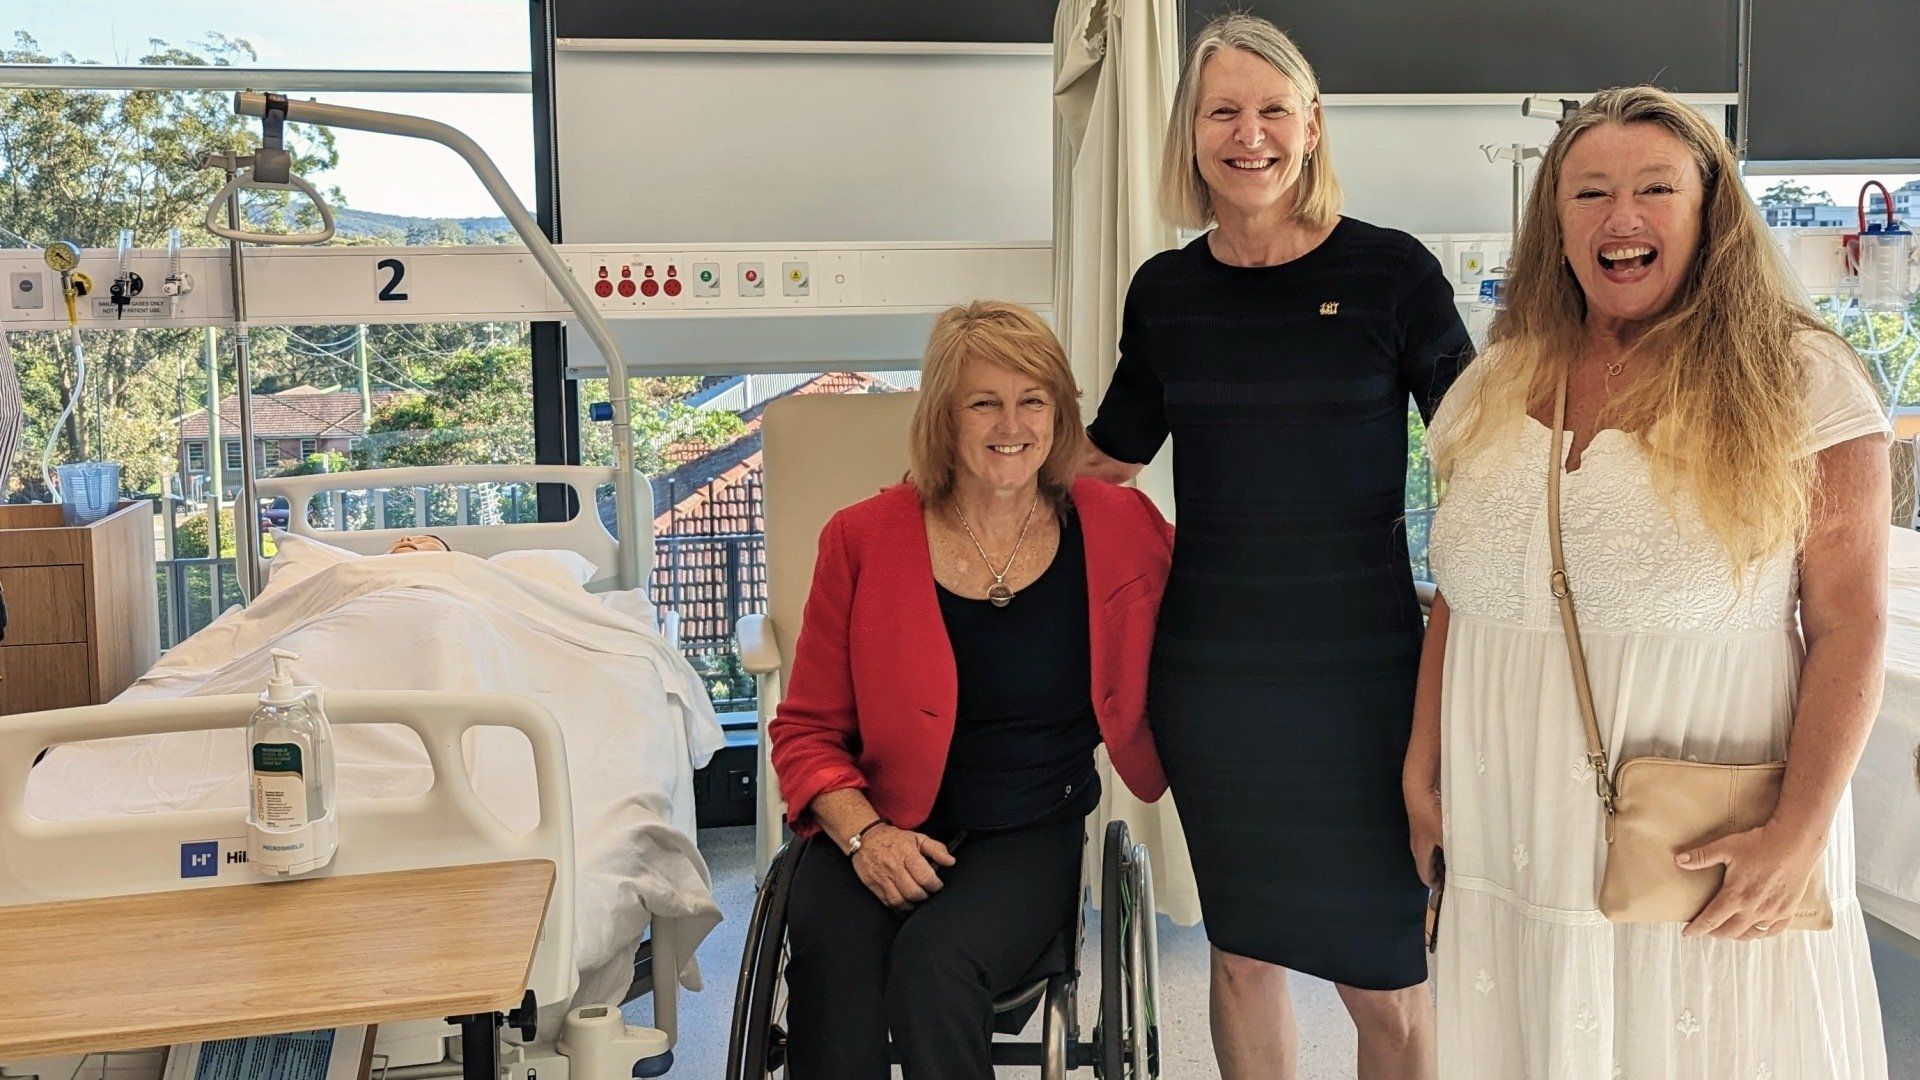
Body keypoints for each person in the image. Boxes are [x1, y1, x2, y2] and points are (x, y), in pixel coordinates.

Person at [1410, 86, 1890, 1078]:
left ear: (1712, 210)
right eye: (1588, 194)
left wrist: (1799, 834)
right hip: (1511, 833)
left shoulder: (1800, 380)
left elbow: (1850, 622)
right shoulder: (1494, 383)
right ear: (1555, 222)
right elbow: (1465, 589)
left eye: (1655, 188)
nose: (1620, 218)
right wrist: (1422, 768)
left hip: (1700, 848)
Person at [1081, 14, 1471, 1079]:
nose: (1247, 135)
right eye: (1222, 112)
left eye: (1269, 111)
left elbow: (1480, 449)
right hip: (1218, 676)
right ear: (1191, 132)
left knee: (1387, 980)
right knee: (1243, 953)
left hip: (1366, 678)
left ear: (1310, 125)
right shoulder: (1168, 293)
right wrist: (963, 475)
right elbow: (1108, 455)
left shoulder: (1391, 273)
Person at [768, 300, 1175, 1078]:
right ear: (944, 418)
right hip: (876, 820)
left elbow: (1217, 605)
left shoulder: (1117, 524)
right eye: (983, 402)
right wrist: (864, 836)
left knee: (934, 968)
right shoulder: (860, 538)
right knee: (837, 982)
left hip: (1026, 827)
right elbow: (807, 729)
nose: (1009, 423)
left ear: (1060, 415)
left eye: (1033, 400)